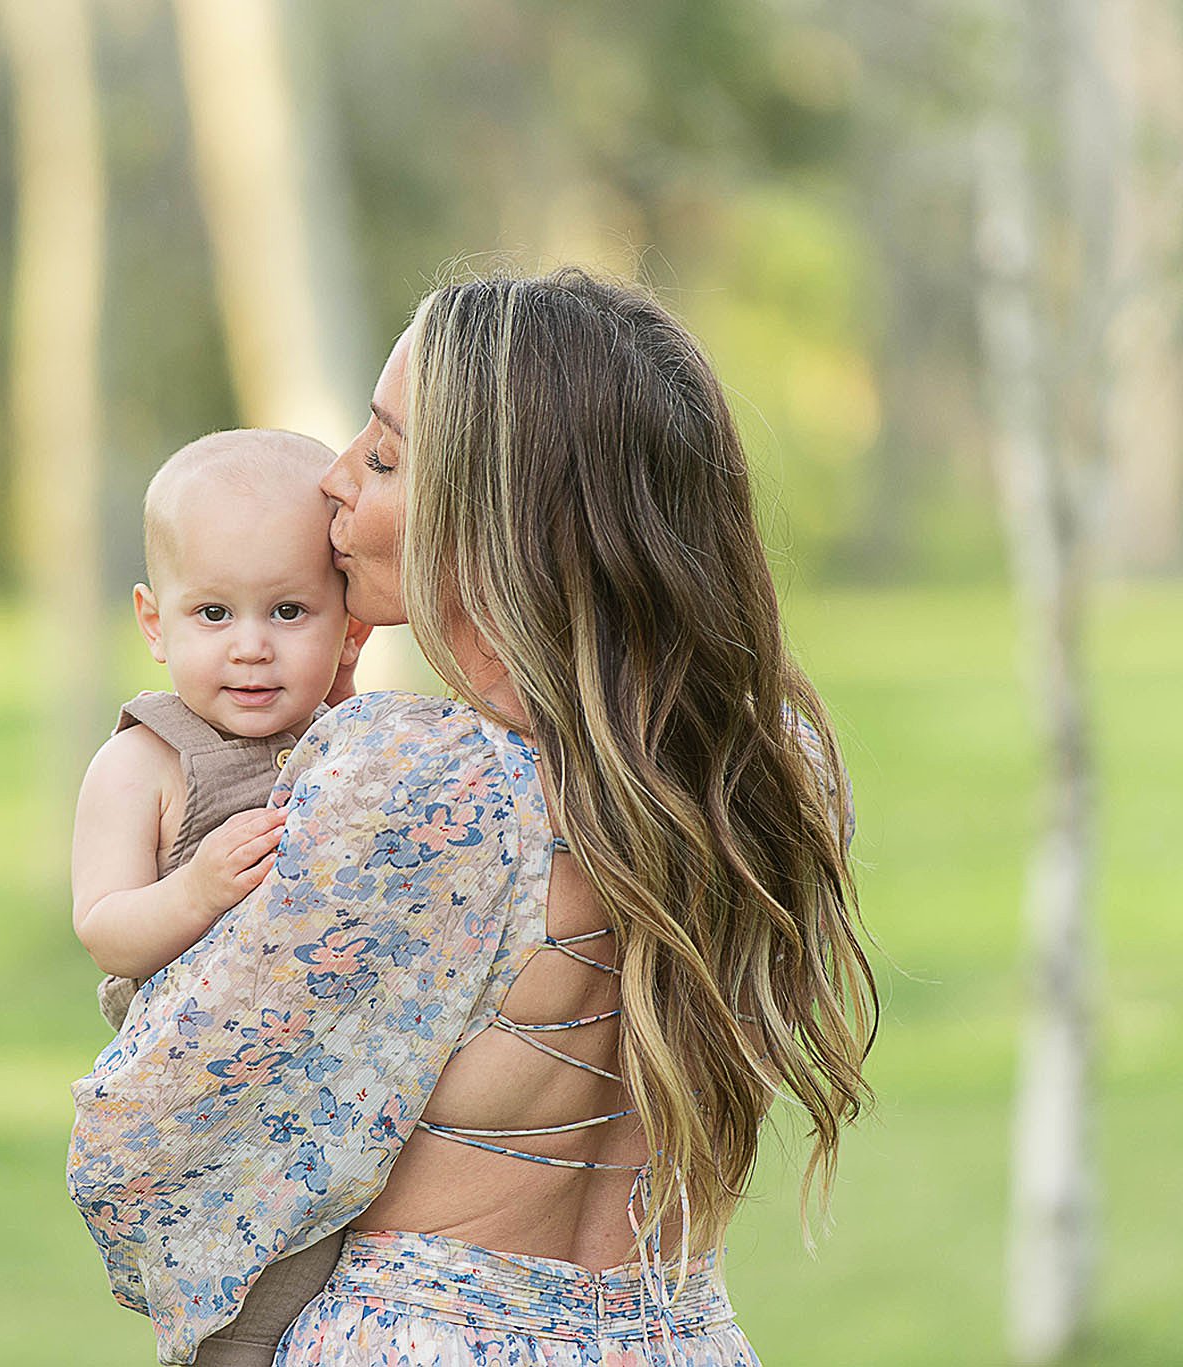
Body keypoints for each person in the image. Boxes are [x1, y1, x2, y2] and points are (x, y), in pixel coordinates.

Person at [67, 267, 877, 1366]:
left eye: (386, 456)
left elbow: (156, 1131)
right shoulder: (766, 759)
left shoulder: (411, 777)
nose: (334, 483)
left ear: (504, 512)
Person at [69, 428, 367, 1364]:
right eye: (212, 615)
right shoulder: (144, 761)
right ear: (153, 621)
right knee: (239, 1314)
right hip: (209, 1100)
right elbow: (106, 929)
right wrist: (197, 888)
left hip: (334, 1084)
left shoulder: (350, 740)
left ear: (347, 623)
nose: (251, 649)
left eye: (288, 611)